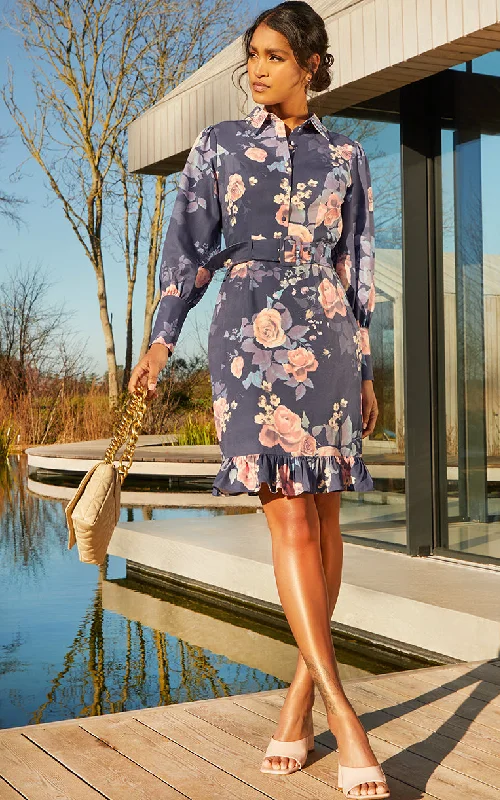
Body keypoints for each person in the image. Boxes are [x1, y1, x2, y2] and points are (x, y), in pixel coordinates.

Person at [129, 2, 387, 797]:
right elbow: (188, 248)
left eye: (275, 55)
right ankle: (346, 720)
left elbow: (359, 263)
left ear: (311, 63)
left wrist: (368, 364)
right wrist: (162, 334)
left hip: (332, 346)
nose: (258, 69)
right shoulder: (219, 146)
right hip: (246, 339)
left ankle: (299, 701)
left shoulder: (346, 154)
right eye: (253, 56)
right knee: (285, 510)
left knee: (326, 513)